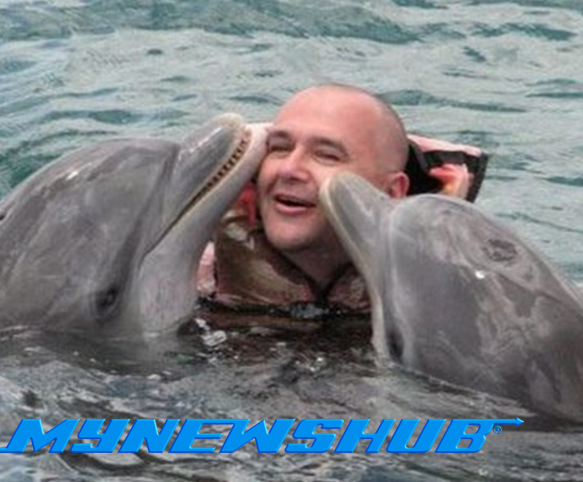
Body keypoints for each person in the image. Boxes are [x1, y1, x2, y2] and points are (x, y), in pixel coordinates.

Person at [198, 84, 485, 314]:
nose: (289, 169)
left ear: (390, 192)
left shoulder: (446, 294)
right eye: (280, 148)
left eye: (326, 155)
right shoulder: (196, 277)